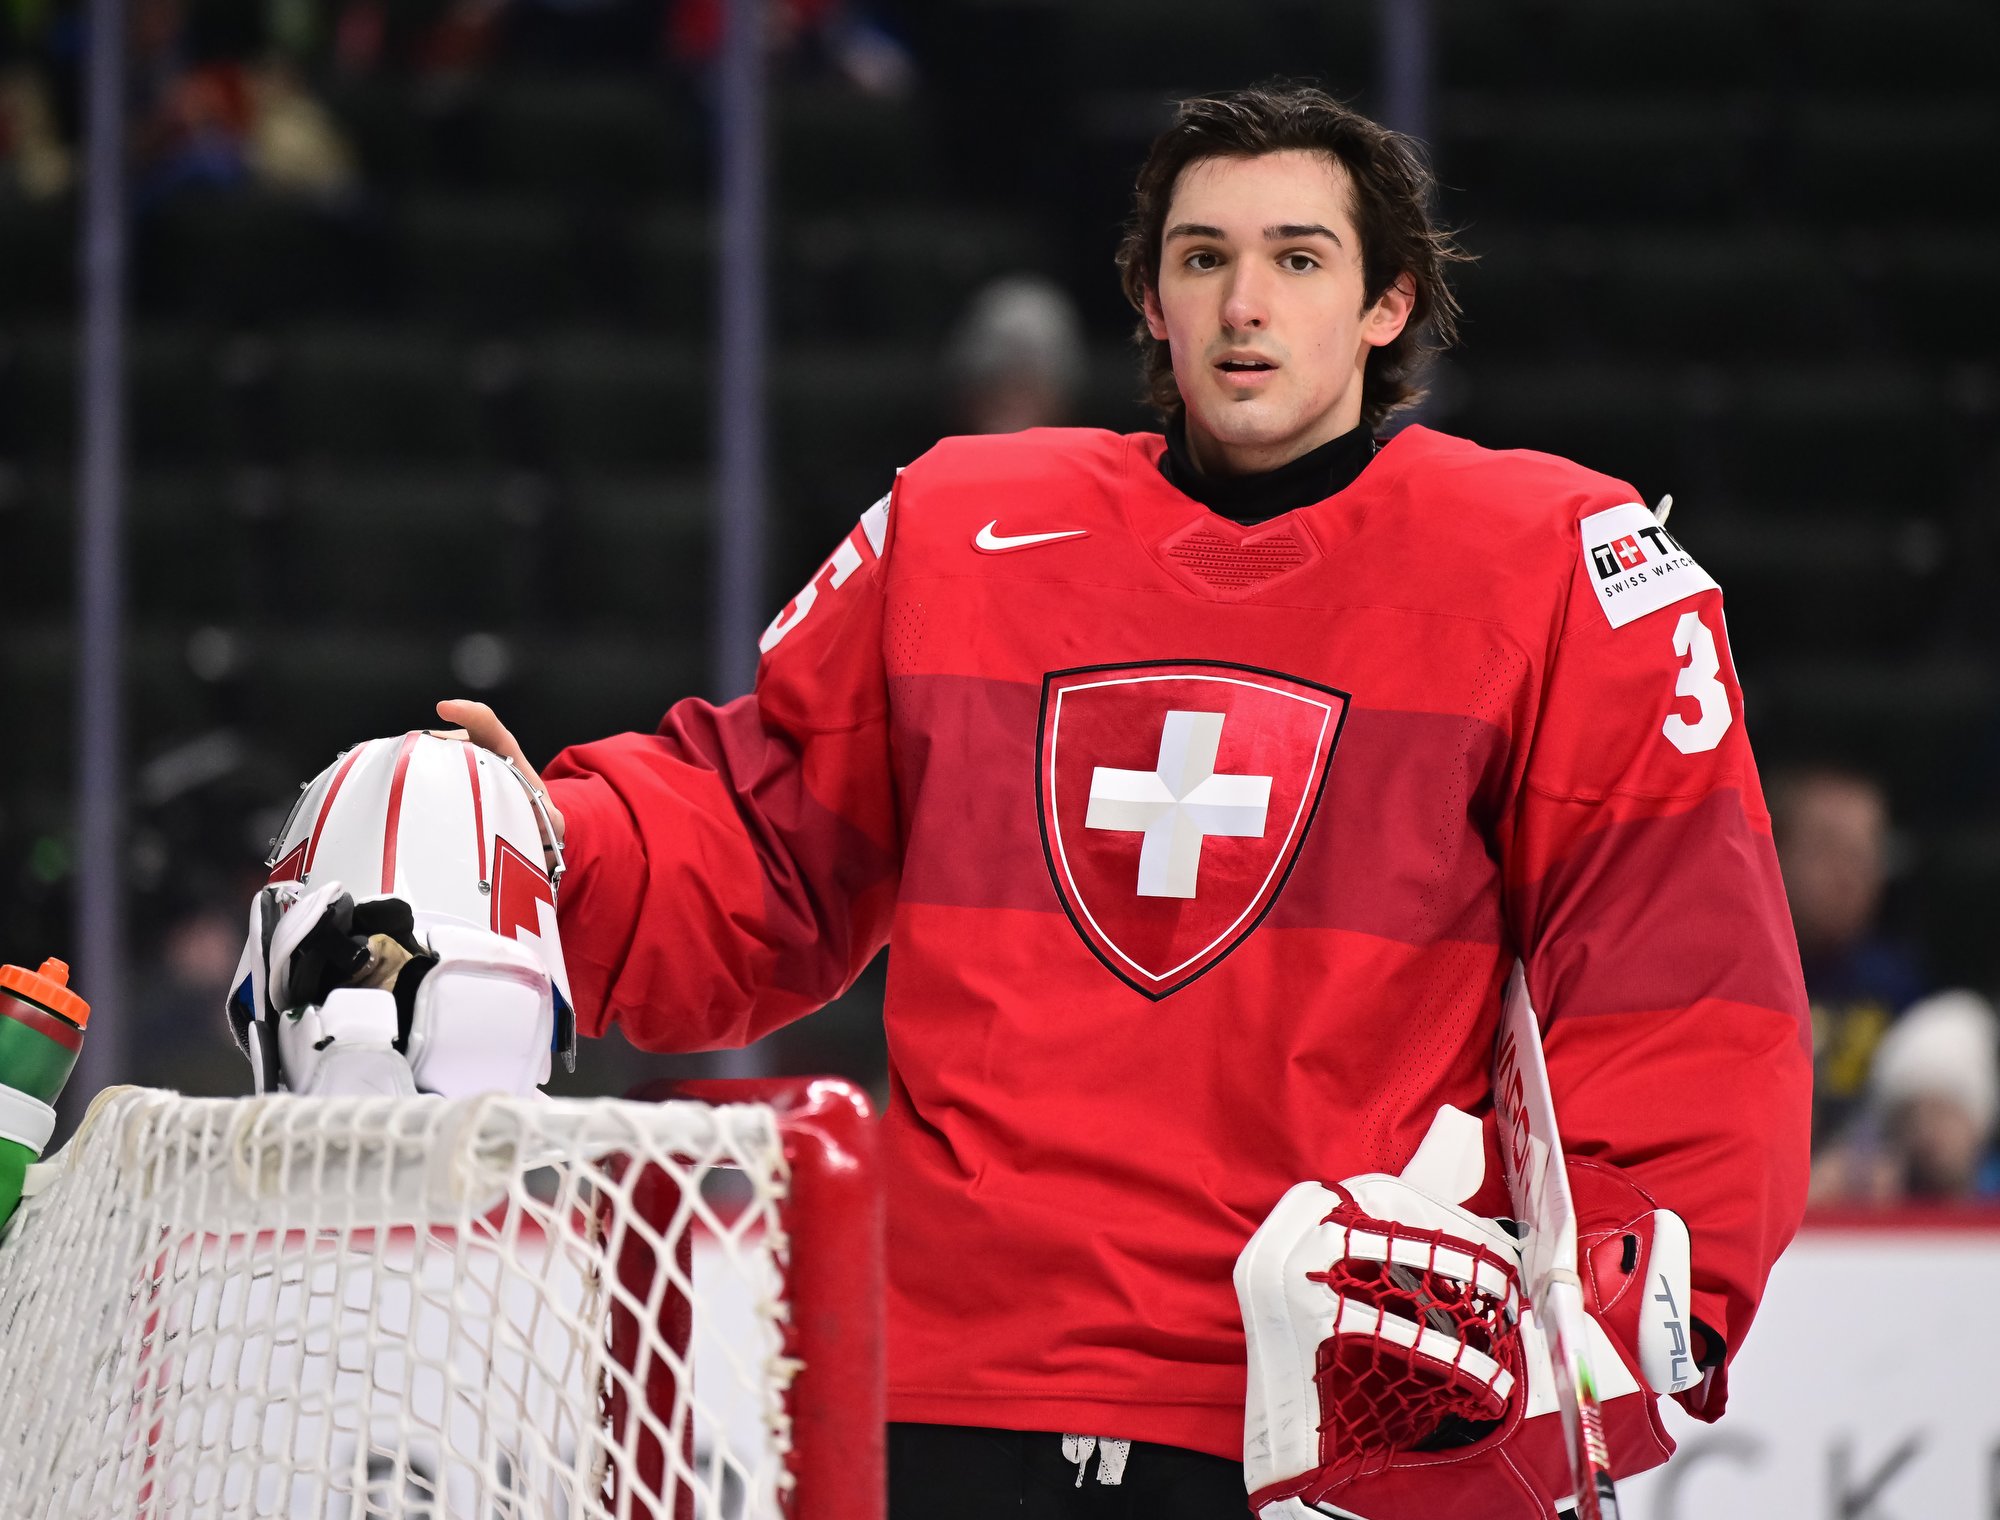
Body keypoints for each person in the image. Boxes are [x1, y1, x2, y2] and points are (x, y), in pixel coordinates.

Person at [438, 83, 1811, 1518]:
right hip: (952, 1391)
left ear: (1388, 303)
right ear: (1151, 301)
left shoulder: (1552, 562)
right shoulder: (960, 527)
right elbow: (761, 840)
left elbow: (1680, 970)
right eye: (1201, 258)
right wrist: (552, 849)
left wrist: (1632, 1289)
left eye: (1297, 258)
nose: (1243, 303)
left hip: (1328, 1421)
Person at [1768, 766, 1929, 1149]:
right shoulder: (1732, 978)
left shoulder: (1900, 984)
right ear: (1773, 851)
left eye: (1865, 852)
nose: (1849, 875)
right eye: (1827, 850)